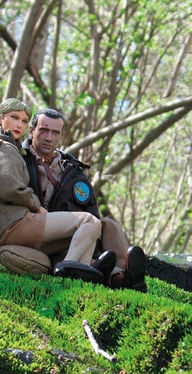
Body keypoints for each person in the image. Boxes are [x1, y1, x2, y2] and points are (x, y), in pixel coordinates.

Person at [0, 98, 112, 284]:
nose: (19, 124)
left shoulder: (14, 149)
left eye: (24, 120)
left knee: (88, 232)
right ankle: (68, 270)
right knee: (89, 222)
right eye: (14, 118)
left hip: (18, 225)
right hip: (14, 223)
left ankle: (79, 280)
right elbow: (12, 189)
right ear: (0, 119)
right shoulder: (1, 147)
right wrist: (37, 207)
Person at [22, 107, 147, 292]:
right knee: (75, 245)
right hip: (37, 232)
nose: (49, 137)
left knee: (107, 224)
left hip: (75, 234)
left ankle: (123, 276)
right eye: (43, 130)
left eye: (55, 133)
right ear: (32, 131)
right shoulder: (18, 158)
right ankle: (98, 271)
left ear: (60, 136)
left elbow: (90, 211)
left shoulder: (71, 170)